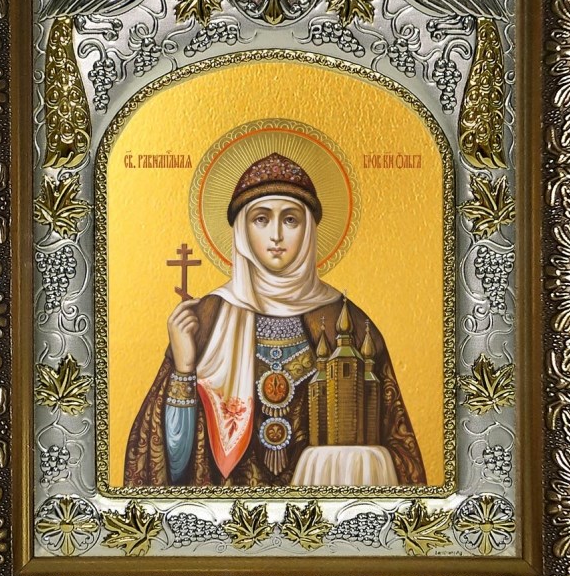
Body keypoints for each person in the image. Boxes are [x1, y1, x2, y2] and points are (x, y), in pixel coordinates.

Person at [124, 153, 426, 487]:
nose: (277, 235)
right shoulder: (207, 320)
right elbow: (168, 468)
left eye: (291, 220)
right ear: (242, 230)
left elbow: (398, 451)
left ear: (309, 229)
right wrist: (183, 371)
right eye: (261, 219)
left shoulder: (348, 324)